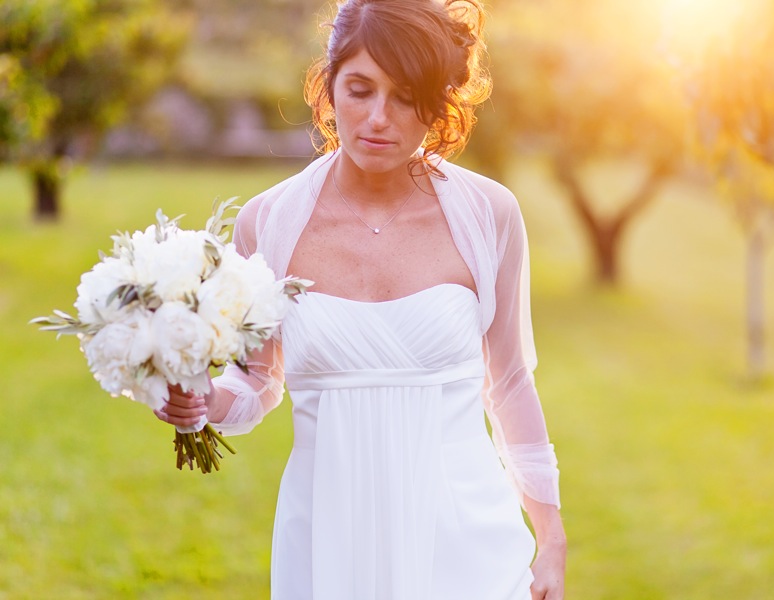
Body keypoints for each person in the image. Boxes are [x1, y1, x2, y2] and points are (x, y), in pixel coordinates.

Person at [155, 0, 566, 598]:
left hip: (465, 537)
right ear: (327, 89)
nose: (379, 117)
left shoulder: (488, 215)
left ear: (440, 104)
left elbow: (508, 384)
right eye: (360, 89)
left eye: (406, 97)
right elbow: (258, 383)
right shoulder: (268, 224)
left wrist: (550, 540)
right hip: (328, 536)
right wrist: (205, 400)